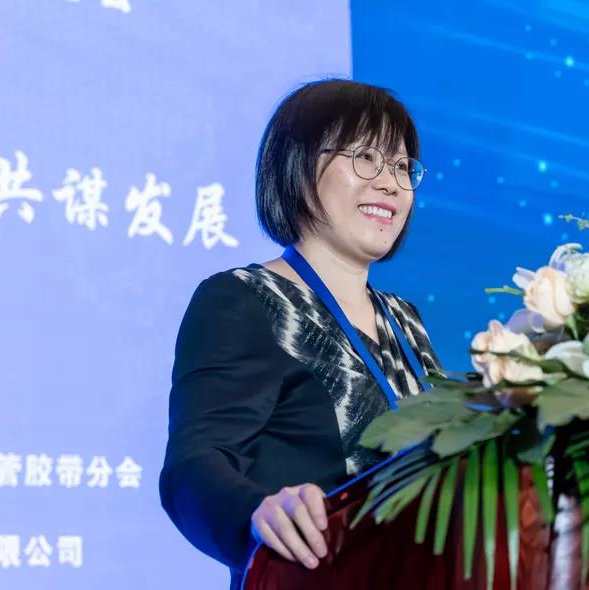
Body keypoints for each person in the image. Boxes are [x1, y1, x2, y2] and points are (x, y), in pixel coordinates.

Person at [158, 78, 443, 588]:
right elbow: (194, 466)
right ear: (298, 165)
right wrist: (256, 513)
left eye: (402, 167)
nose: (390, 183)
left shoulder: (405, 320)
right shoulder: (243, 299)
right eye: (365, 158)